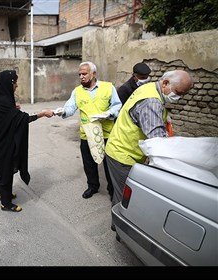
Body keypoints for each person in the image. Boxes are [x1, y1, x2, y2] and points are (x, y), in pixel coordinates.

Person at [105, 70, 193, 230]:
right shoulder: (151, 102)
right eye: (178, 93)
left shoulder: (148, 87)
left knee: (121, 193)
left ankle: (118, 224)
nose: (179, 98)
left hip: (120, 148)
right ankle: (120, 229)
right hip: (123, 154)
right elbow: (157, 142)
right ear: (165, 83)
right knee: (125, 198)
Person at [0, 70, 54, 212]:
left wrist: (14, 109)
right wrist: (42, 113)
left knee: (2, 168)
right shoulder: (5, 102)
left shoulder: (1, 98)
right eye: (14, 82)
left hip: (0, 142)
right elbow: (23, 119)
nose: (16, 85)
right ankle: (6, 204)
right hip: (4, 144)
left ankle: (3, 194)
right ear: (7, 83)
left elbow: (8, 117)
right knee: (5, 169)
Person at [55, 61, 122, 201]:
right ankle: (93, 186)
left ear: (93, 74)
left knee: (108, 165)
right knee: (89, 163)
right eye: (79, 74)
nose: (81, 77)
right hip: (87, 134)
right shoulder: (77, 91)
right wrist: (62, 112)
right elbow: (70, 107)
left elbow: (117, 105)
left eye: (84, 73)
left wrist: (108, 114)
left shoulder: (108, 88)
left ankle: (112, 189)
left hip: (107, 134)